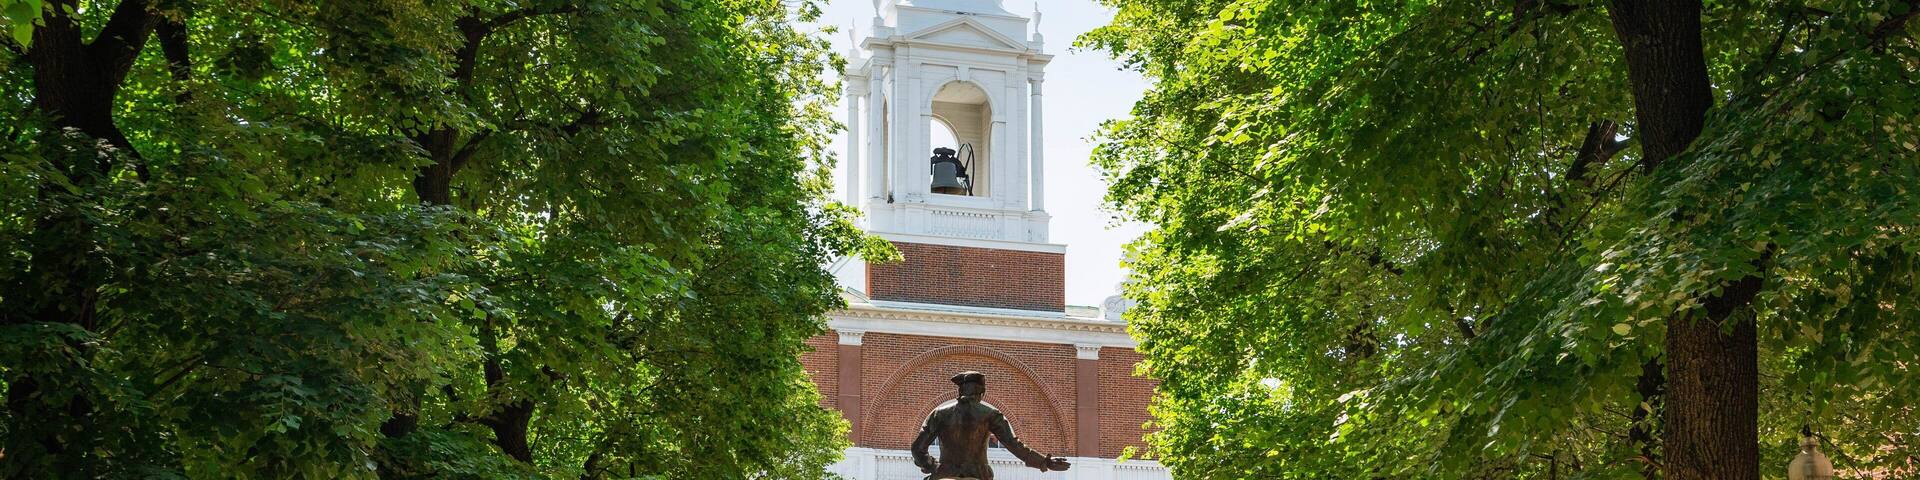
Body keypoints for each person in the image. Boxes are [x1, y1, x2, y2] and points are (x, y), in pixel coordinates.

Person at [910, 371, 1071, 479]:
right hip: (978, 476)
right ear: (981, 393)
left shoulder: (939, 414)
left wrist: (932, 466)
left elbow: (917, 449)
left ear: (960, 392)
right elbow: (1014, 445)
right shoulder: (991, 414)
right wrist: (1045, 462)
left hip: (945, 475)